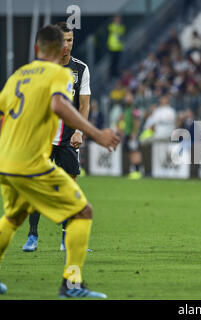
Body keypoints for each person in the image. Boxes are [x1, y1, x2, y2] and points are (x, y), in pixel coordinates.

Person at [0, 25, 120, 297]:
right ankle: (72, 284)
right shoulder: (57, 73)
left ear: (36, 49)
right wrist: (95, 133)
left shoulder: (18, 75)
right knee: (83, 211)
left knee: (13, 216)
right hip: (30, 161)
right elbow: (59, 104)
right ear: (61, 48)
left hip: (5, 160)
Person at [22, 22, 92, 252]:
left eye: (70, 40)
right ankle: (32, 235)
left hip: (69, 138)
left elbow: (84, 105)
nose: (67, 45)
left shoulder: (81, 69)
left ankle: (65, 240)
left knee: (70, 187)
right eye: (63, 40)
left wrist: (80, 131)